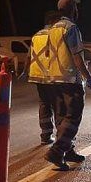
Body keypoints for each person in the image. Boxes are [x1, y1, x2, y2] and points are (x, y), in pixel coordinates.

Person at [27, 0, 91, 170]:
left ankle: (68, 151)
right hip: (69, 80)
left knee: (62, 117)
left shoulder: (52, 29)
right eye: (76, 8)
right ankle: (57, 151)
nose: (78, 11)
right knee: (73, 116)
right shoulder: (70, 28)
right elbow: (77, 58)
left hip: (55, 80)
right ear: (71, 10)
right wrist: (90, 80)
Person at [36, 10, 62, 145]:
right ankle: (61, 135)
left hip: (38, 76)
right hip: (52, 75)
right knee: (58, 104)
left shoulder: (37, 35)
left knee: (44, 104)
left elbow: (30, 56)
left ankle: (45, 135)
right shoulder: (54, 35)